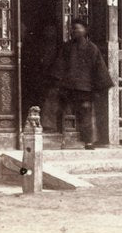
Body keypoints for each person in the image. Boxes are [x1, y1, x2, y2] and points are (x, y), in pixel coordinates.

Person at [48, 17, 113, 149]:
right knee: (58, 110)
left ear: (85, 30)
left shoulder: (92, 48)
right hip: (67, 87)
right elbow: (59, 65)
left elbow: (99, 68)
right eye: (73, 28)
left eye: (78, 28)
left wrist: (98, 87)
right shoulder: (66, 47)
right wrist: (57, 81)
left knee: (85, 115)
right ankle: (59, 139)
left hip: (85, 89)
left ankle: (88, 141)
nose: (75, 31)